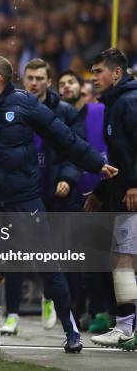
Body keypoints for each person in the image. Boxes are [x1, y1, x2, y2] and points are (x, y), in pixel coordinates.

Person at [0, 55, 117, 353]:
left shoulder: (24, 105)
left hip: (24, 198)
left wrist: (95, 164)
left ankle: (70, 331)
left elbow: (64, 137)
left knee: (48, 264)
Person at [0, 58, 86, 336]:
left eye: (40, 78)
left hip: (54, 193)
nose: (34, 83)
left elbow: (75, 146)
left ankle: (54, 301)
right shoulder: (9, 106)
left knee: (55, 255)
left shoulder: (64, 112)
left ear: (49, 82)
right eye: (30, 78)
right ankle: (11, 313)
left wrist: (67, 178)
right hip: (20, 191)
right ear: (23, 80)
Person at [87, 48, 137, 351]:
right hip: (121, 194)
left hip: (131, 197)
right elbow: (120, 159)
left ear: (116, 73)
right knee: (124, 261)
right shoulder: (117, 103)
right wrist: (101, 193)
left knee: (123, 261)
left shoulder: (128, 103)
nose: (93, 79)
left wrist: (133, 185)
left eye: (97, 72)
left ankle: (124, 326)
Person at [58, 69, 114, 334]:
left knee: (101, 259)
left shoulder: (99, 112)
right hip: (71, 199)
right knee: (78, 260)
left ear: (81, 87)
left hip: (101, 193)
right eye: (62, 83)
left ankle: (105, 310)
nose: (67, 87)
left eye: (71, 82)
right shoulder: (55, 118)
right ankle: (82, 309)